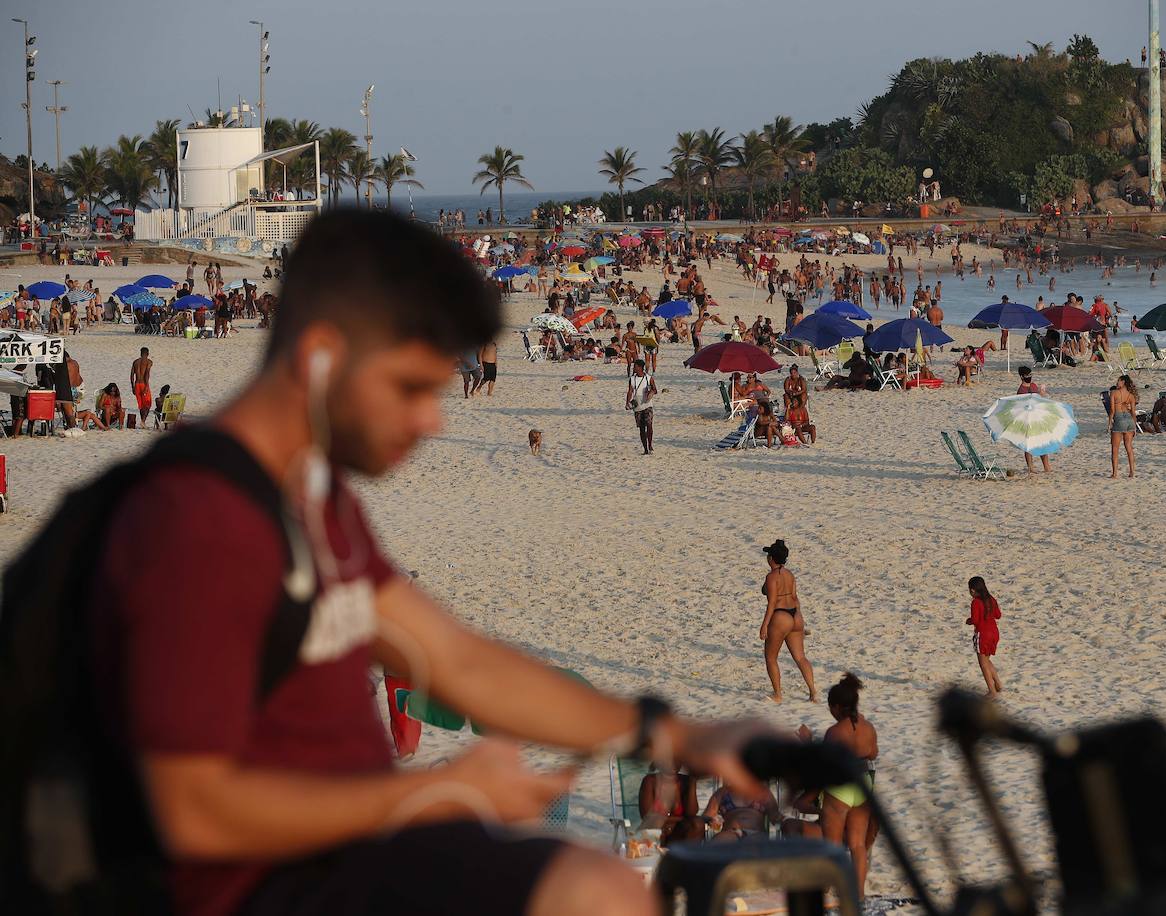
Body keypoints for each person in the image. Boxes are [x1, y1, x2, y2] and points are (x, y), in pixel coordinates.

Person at [25, 210, 772, 916]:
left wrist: (679, 735)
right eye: (411, 387)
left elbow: (458, 662)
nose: (432, 419)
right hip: (258, 889)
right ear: (321, 355)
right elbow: (190, 809)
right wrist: (429, 796)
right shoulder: (198, 523)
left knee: (603, 889)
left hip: (350, 856)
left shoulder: (311, 498)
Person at [794, 674, 878, 898]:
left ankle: (825, 889)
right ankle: (858, 893)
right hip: (862, 785)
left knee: (831, 846)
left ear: (838, 707)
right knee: (857, 845)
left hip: (840, 787)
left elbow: (825, 765)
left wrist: (808, 743)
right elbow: (873, 753)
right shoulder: (868, 727)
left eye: (831, 708)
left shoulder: (834, 732)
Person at [758, 539, 816, 703]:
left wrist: (764, 626)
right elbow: (795, 597)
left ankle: (777, 694)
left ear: (771, 558)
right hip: (795, 615)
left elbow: (772, 603)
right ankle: (813, 693)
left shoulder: (771, 577)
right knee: (800, 657)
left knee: (771, 657)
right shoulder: (789, 574)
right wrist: (800, 619)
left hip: (780, 616)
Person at [965, 576, 1003, 695]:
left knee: (983, 664)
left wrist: (969, 620)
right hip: (994, 633)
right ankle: (998, 684)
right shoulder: (991, 599)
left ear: (972, 590)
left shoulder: (975, 602)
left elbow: (976, 620)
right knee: (986, 659)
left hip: (983, 634)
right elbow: (998, 615)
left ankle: (992, 691)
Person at [1015, 367, 1050, 473]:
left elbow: (1039, 400)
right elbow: (1021, 407)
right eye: (1027, 375)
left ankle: (1046, 466)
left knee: (1042, 442)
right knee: (1028, 444)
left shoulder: (1034, 385)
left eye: (1031, 375)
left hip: (1037, 418)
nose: (1030, 377)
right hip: (1027, 420)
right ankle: (1030, 467)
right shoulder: (1021, 391)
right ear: (1022, 377)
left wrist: (1042, 394)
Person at [1108, 375, 1138, 478]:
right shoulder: (1131, 396)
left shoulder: (1114, 393)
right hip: (1129, 420)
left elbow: (1112, 410)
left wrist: (1109, 423)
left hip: (1119, 419)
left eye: (1118, 381)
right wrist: (1134, 427)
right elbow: (1133, 413)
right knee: (1129, 447)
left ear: (1123, 382)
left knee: (1115, 449)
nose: (1117, 383)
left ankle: (1115, 473)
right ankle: (1132, 472)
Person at [625, 358, 657, 456]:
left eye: (635, 367)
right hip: (637, 406)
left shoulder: (648, 377)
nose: (634, 368)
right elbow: (630, 391)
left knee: (649, 425)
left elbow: (655, 389)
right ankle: (645, 449)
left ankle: (650, 445)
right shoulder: (632, 379)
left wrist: (651, 393)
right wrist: (627, 402)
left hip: (648, 405)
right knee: (642, 428)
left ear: (640, 368)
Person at [130, 346, 154, 427]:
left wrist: (132, 387)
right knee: (148, 404)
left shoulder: (135, 362)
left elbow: (131, 375)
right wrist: (146, 386)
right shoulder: (149, 362)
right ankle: (143, 421)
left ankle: (142, 422)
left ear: (141, 353)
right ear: (147, 354)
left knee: (141, 405)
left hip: (137, 385)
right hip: (144, 384)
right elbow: (147, 374)